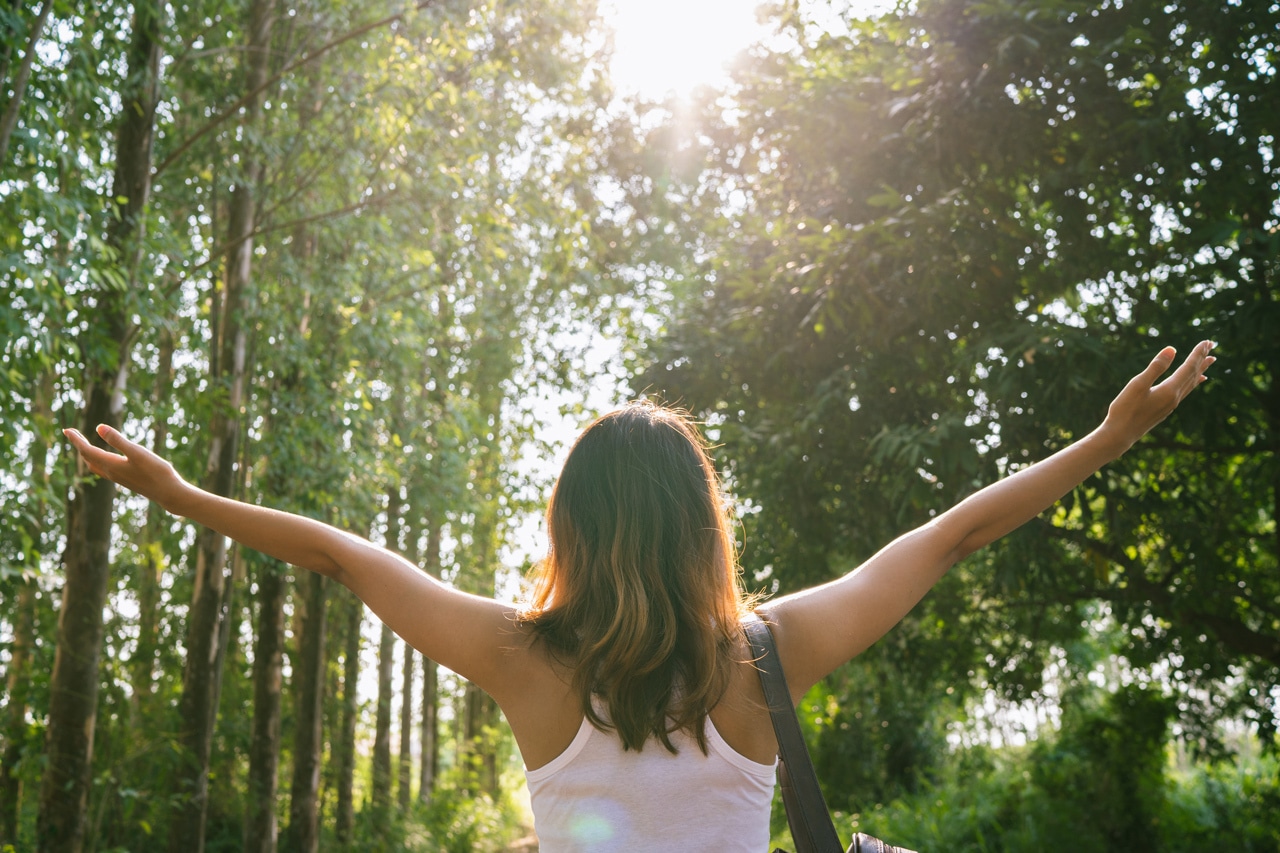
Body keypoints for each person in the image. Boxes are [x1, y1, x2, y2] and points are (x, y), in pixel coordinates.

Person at [65, 340, 1216, 852]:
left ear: (570, 523)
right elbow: (953, 534)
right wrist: (1106, 438)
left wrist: (180, 492)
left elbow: (342, 555)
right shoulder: (768, 653)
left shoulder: (521, 658)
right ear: (700, 522)